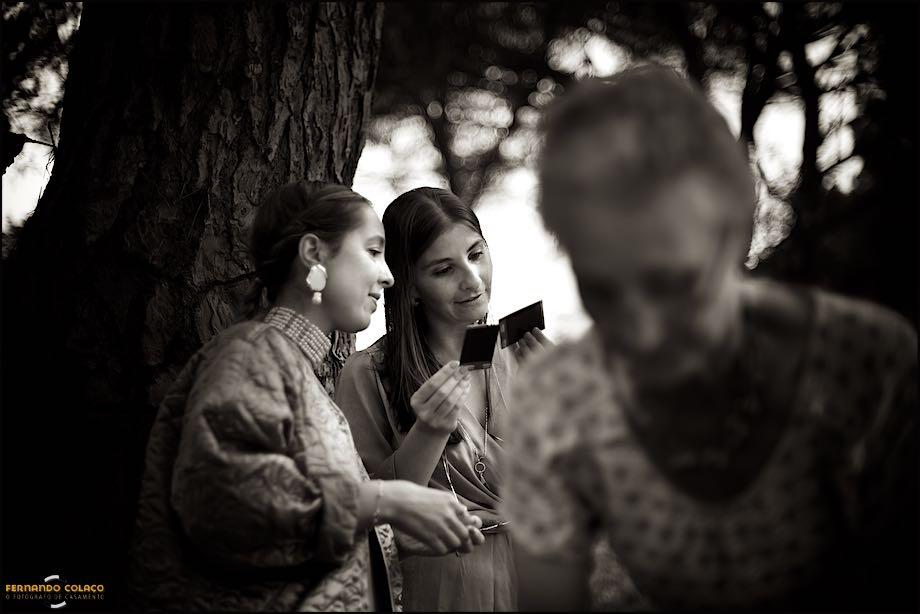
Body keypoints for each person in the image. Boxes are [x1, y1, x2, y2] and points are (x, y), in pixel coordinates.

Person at [500, 65, 918, 611]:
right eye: (600, 288)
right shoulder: (555, 403)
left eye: (674, 283)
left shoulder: (863, 363)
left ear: (734, 231)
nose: (641, 331)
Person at [127, 181, 485, 612]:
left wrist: (397, 531)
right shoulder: (250, 355)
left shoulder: (296, 372)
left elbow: (299, 529)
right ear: (314, 254)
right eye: (373, 252)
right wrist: (388, 499)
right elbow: (224, 508)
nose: (389, 276)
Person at [334, 187, 550, 611]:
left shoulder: (522, 353)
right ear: (411, 286)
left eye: (476, 254)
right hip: (443, 588)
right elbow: (369, 509)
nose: (471, 279)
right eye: (444, 269)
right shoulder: (369, 374)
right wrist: (428, 432)